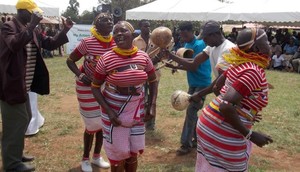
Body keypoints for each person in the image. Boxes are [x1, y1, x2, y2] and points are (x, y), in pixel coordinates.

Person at [0, 0, 73, 171]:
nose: (37, 17)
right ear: (23, 11)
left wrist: (65, 29)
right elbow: (14, 45)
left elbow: (50, 43)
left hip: (23, 86)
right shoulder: (8, 27)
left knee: (24, 118)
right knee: (14, 123)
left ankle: (16, 153)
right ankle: (12, 163)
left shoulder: (31, 29)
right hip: (11, 85)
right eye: (34, 14)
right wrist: (32, 25)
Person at [192, 27, 273, 172]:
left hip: (208, 123)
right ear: (255, 47)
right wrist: (250, 135)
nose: (270, 45)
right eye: (266, 41)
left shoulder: (239, 64)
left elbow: (217, 87)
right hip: (222, 131)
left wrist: (244, 112)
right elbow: (226, 106)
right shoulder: (252, 71)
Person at [91, 21, 158, 172]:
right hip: (113, 111)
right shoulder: (106, 59)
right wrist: (109, 111)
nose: (119, 34)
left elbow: (153, 80)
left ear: (133, 34)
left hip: (136, 110)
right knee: (118, 156)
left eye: (123, 31)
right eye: (115, 32)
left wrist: (151, 105)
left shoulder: (143, 57)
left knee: (132, 153)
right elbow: (95, 87)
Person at [66, 12, 113, 172]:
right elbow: (70, 60)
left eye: (110, 20)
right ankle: (85, 158)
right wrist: (80, 74)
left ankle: (96, 157)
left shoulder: (115, 43)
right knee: (91, 124)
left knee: (102, 124)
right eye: (104, 20)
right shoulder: (87, 42)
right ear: (96, 25)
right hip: (86, 88)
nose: (109, 21)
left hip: (105, 87)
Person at [164, 21, 212, 156]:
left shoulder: (200, 45)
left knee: (191, 111)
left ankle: (186, 144)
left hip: (203, 83)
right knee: (192, 112)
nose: (183, 37)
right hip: (193, 83)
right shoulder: (187, 45)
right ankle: (197, 139)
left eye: (185, 34)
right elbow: (187, 65)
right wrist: (174, 66)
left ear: (192, 32)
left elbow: (193, 65)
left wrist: (173, 59)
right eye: (181, 35)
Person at [164, 20, 236, 108]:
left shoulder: (227, 49)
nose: (204, 40)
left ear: (215, 34)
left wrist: (199, 94)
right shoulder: (211, 47)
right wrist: (173, 57)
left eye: (205, 37)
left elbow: (220, 80)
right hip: (223, 91)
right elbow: (194, 63)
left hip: (232, 93)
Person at [132, 19, 160, 131]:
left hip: (155, 74)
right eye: (145, 26)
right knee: (141, 98)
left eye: (148, 26)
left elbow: (160, 55)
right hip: (140, 74)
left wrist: (158, 58)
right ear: (140, 27)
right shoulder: (135, 41)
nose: (147, 28)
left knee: (153, 98)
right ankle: (141, 121)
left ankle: (151, 124)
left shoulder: (156, 40)